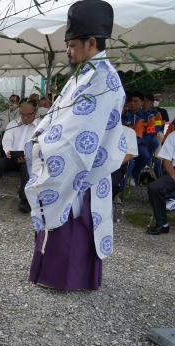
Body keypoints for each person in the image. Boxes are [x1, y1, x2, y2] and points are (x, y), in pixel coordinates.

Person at [25, 0, 125, 291]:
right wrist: (40, 136)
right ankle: (50, 274)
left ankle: (66, 279)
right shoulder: (84, 73)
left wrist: (46, 144)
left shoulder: (103, 79)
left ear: (90, 42)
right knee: (59, 217)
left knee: (74, 220)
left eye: (71, 44)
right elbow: (59, 115)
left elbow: (81, 132)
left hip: (82, 165)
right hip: (65, 156)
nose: (67, 51)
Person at [0, 102, 39, 213]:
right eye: (22, 114)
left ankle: (25, 200)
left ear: (35, 113)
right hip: (13, 157)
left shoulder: (40, 126)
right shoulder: (13, 124)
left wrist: (29, 156)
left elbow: (40, 145)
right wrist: (8, 151)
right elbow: (7, 140)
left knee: (26, 168)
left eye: (28, 115)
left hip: (30, 160)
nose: (25, 117)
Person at [146, 132, 175, 235]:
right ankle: (162, 224)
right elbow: (166, 160)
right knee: (155, 188)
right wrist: (173, 176)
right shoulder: (173, 136)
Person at [111, 126, 138, 199]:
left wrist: (112, 165)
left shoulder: (128, 131)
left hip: (117, 164)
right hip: (95, 165)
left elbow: (129, 154)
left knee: (144, 157)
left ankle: (134, 177)